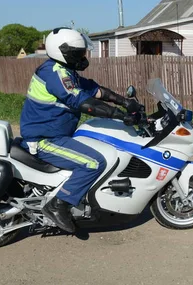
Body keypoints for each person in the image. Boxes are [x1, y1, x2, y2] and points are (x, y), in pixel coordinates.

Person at [19, 27, 141, 233]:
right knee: (94, 163)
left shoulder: (65, 72)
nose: (82, 57)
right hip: (45, 139)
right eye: (78, 53)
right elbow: (82, 101)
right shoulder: (54, 74)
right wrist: (119, 116)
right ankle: (59, 205)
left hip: (54, 134)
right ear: (63, 53)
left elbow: (95, 90)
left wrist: (124, 102)